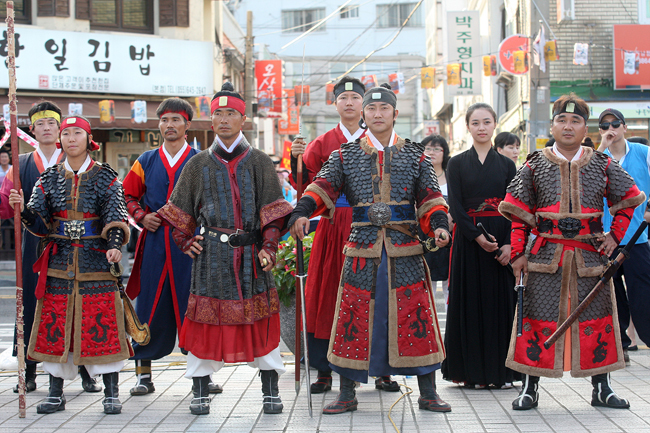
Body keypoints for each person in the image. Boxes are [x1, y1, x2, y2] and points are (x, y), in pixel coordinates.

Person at [289, 83, 451, 414]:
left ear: (395, 113)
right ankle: (346, 392)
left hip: (405, 246)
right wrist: (303, 210)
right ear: (364, 114)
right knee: (352, 316)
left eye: (384, 109)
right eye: (372, 109)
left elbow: (431, 198)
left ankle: (428, 391)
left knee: (416, 315)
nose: (378, 114)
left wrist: (439, 225)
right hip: (361, 247)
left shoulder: (415, 154)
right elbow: (322, 187)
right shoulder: (344, 155)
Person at [499, 94, 645, 410]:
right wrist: (518, 255)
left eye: (575, 121)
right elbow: (519, 213)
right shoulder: (534, 163)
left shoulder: (602, 163)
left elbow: (630, 200)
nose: (568, 126)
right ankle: (529, 387)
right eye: (562, 120)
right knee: (536, 319)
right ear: (552, 125)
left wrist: (614, 237)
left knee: (598, 319)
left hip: (591, 256)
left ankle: (602, 387)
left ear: (584, 127)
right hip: (542, 255)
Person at [157, 82, 293, 416]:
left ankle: (270, 391)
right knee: (204, 324)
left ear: (242, 119)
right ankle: (200, 390)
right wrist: (186, 241)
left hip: (252, 257)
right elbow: (178, 213)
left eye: (230, 113)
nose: (223, 119)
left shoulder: (260, 161)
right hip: (212, 259)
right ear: (211, 119)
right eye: (218, 113)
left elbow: (274, 212)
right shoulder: (198, 163)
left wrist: (270, 247)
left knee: (260, 323)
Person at [8, 115, 132, 414]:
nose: (71, 138)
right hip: (59, 262)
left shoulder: (106, 177)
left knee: (104, 326)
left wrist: (114, 245)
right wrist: (23, 209)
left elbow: (116, 215)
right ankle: (55, 393)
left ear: (89, 140)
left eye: (77, 133)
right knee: (55, 327)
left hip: (97, 262)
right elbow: (39, 224)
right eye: (66, 133)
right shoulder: (47, 178)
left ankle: (112, 393)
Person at [290, 76, 399, 394]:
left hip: (372, 226)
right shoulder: (321, 143)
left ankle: (381, 369)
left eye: (356, 98)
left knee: (376, 296)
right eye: (344, 98)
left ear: (366, 108)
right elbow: (307, 188)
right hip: (333, 225)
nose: (350, 103)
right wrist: (297, 159)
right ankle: (324, 370)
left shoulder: (383, 140)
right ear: (335, 104)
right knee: (327, 296)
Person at [122, 98, 222, 396]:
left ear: (187, 124)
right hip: (153, 243)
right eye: (164, 120)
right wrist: (141, 216)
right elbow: (127, 195)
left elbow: (215, 204)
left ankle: (201, 375)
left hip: (192, 246)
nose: (169, 126)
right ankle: (143, 374)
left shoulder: (203, 160)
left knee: (195, 306)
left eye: (175, 120)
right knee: (149, 305)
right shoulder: (146, 160)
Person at [0, 102, 101, 394]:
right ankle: (29, 370)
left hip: (73, 245)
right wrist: (13, 200)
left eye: (51, 123)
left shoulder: (75, 158)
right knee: (32, 305)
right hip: (33, 243)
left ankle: (84, 370)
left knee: (76, 304)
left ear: (60, 130)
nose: (46, 128)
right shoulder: (21, 163)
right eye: (40, 123)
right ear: (31, 129)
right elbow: (6, 208)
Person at [442, 103, 518, 390]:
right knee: (469, 302)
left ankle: (502, 372)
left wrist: (510, 244)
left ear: (495, 124)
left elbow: (513, 207)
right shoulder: (457, 163)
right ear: (468, 127)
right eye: (476, 123)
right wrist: (476, 236)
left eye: (487, 122)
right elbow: (456, 206)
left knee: (501, 304)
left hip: (501, 236)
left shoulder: (508, 165)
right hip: (468, 238)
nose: (482, 127)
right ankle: (471, 371)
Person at [596, 108, 650, 364]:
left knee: (642, 292)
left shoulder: (643, 153)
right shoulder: (597, 159)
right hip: (606, 239)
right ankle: (621, 345)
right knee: (612, 293)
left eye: (615, 124)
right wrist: (601, 147)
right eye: (604, 125)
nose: (611, 129)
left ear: (625, 127)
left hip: (637, 238)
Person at [420, 135, 452, 310]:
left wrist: (451, 220)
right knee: (426, 282)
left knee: (449, 283)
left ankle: (448, 334)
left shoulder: (452, 177)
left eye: (437, 149)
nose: (432, 152)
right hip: (425, 235)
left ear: (444, 152)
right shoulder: (417, 177)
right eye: (428, 148)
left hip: (449, 234)